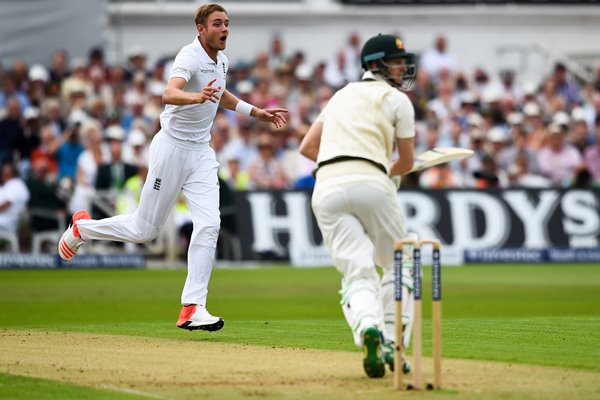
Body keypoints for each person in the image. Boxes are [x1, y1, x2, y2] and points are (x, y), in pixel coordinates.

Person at [58, 3, 287, 332]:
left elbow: (221, 95)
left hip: (201, 153)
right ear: (201, 28)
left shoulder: (220, 60)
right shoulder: (189, 56)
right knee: (144, 230)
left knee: (209, 225)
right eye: (217, 24)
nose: (224, 30)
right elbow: (168, 93)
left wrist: (256, 112)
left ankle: (193, 306)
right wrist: (195, 97)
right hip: (171, 148)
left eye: (227, 24)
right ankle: (83, 229)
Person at [299, 33, 416, 378]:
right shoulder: (397, 100)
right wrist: (387, 173)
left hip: (327, 187)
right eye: (395, 61)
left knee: (356, 270)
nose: (402, 67)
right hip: (373, 184)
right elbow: (406, 162)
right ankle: (394, 344)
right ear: (376, 64)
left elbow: (307, 148)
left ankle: (368, 325)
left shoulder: (340, 95)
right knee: (399, 265)